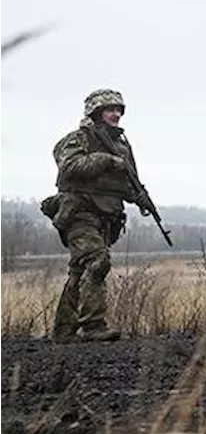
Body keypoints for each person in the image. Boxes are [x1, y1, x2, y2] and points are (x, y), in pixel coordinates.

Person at [41, 88, 156, 343]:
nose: (116, 114)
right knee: (97, 261)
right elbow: (69, 169)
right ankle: (93, 326)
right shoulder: (77, 139)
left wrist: (140, 199)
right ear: (96, 112)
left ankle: (63, 332)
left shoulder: (121, 146)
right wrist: (105, 160)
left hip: (105, 215)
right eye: (110, 109)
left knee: (79, 270)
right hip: (78, 212)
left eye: (119, 110)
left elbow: (127, 182)